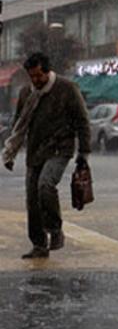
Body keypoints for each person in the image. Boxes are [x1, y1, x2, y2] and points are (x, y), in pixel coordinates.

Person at [2, 52, 91, 259]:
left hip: (60, 149)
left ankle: (55, 229)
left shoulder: (67, 89)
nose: (36, 80)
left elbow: (82, 121)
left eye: (39, 76)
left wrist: (84, 153)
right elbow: (18, 127)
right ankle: (39, 245)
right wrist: (10, 154)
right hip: (35, 152)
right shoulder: (26, 93)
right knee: (32, 200)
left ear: (48, 71)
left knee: (45, 185)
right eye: (31, 76)